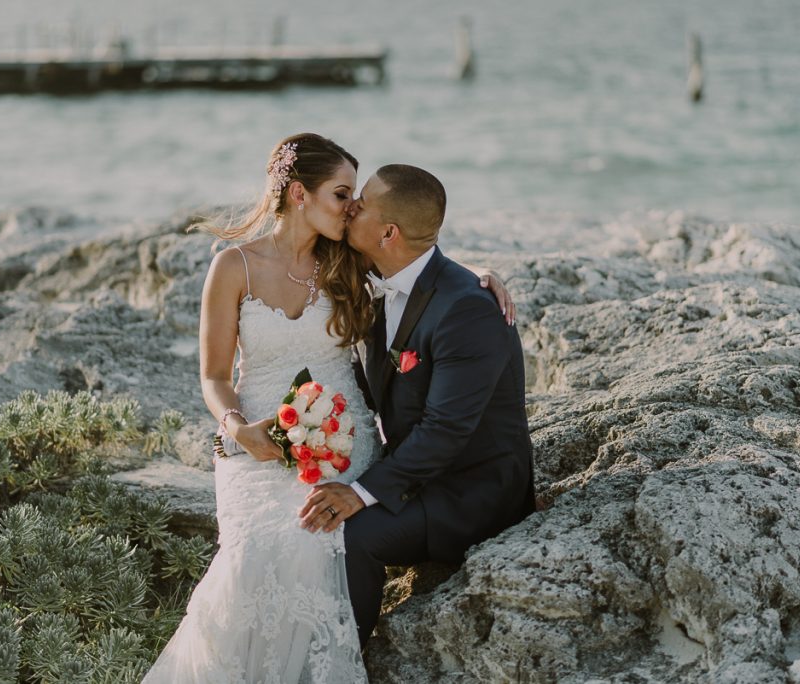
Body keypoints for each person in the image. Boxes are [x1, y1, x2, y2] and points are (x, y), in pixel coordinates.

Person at [142, 134, 514, 683]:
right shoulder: (231, 268)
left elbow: (417, 267)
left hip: (345, 439)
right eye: (343, 195)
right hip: (255, 441)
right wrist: (236, 428)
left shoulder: (344, 263)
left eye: (355, 199)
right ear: (299, 194)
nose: (352, 208)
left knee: (318, 539)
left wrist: (481, 279)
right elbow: (215, 376)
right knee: (253, 557)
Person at [299, 164, 536, 648]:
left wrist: (361, 493)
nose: (350, 208)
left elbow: (445, 431)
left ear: (388, 232)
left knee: (350, 535)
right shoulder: (380, 272)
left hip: (468, 491)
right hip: (415, 470)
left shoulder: (467, 309)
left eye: (360, 204)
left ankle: (349, 661)